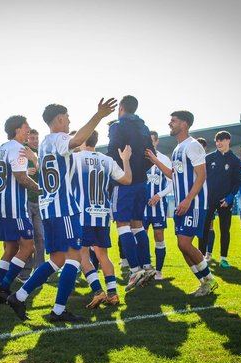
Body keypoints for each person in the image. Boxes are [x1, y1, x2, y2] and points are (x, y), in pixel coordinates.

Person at [6, 98, 118, 323]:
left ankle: (19, 296)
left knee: (56, 259)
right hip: (64, 209)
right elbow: (77, 140)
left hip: (49, 209)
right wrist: (99, 116)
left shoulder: (46, 142)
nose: (69, 121)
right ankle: (58, 310)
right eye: (67, 117)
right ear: (58, 119)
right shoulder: (59, 138)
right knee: (75, 258)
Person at [145, 110, 218, 297]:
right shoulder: (178, 149)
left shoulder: (193, 146)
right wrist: (154, 160)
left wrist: (188, 199)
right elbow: (172, 175)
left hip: (193, 204)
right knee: (181, 245)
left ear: (184, 124)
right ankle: (204, 282)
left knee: (185, 244)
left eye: (174, 121)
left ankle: (209, 279)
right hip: (181, 204)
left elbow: (202, 175)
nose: (170, 123)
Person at [73, 130, 132, 307]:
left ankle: (98, 291)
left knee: (82, 254)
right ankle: (113, 294)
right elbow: (128, 180)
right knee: (102, 254)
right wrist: (126, 160)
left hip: (83, 213)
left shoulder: (75, 159)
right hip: (102, 214)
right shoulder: (107, 160)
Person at [0, 116, 40, 303]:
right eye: (26, 127)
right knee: (28, 246)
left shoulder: (0, 149)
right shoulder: (17, 148)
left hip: (2, 205)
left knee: (10, 248)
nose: (29, 130)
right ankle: (4, 286)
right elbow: (21, 178)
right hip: (15, 207)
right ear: (18, 129)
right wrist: (42, 190)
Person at [107, 96, 156, 288]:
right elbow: (150, 156)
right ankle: (147, 265)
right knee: (137, 224)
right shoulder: (144, 127)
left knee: (122, 224)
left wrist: (124, 173)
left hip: (124, 182)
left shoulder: (117, 126)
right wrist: (139, 171)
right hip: (141, 182)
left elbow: (112, 152)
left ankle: (135, 271)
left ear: (120, 108)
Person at [198, 131, 241, 268]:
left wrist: (230, 197)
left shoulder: (235, 161)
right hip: (208, 199)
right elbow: (201, 177)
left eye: (221, 140)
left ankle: (223, 258)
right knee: (204, 229)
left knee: (225, 229)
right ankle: (201, 257)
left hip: (225, 201)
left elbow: (237, 182)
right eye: (217, 141)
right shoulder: (209, 158)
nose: (218, 143)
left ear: (228, 140)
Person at [142, 130, 172, 282]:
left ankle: (159, 271)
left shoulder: (164, 159)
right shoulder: (139, 157)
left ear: (157, 141)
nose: (150, 143)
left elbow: (172, 184)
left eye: (152, 140)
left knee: (159, 236)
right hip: (142, 207)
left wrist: (159, 195)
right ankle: (145, 269)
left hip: (158, 206)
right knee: (141, 237)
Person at [18, 129, 45, 282]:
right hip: (26, 200)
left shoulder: (41, 153)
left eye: (36, 137)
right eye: (32, 138)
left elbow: (49, 173)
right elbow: (16, 174)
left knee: (40, 236)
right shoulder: (22, 152)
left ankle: (40, 269)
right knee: (28, 237)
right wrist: (26, 171)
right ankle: (25, 271)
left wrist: (35, 161)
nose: (35, 140)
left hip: (39, 200)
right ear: (27, 139)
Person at [196, 137, 216, 260]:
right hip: (196, 198)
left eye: (201, 147)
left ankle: (208, 253)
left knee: (209, 226)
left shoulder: (209, 161)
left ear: (204, 148)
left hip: (208, 198)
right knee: (199, 226)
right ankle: (200, 253)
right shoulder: (192, 161)